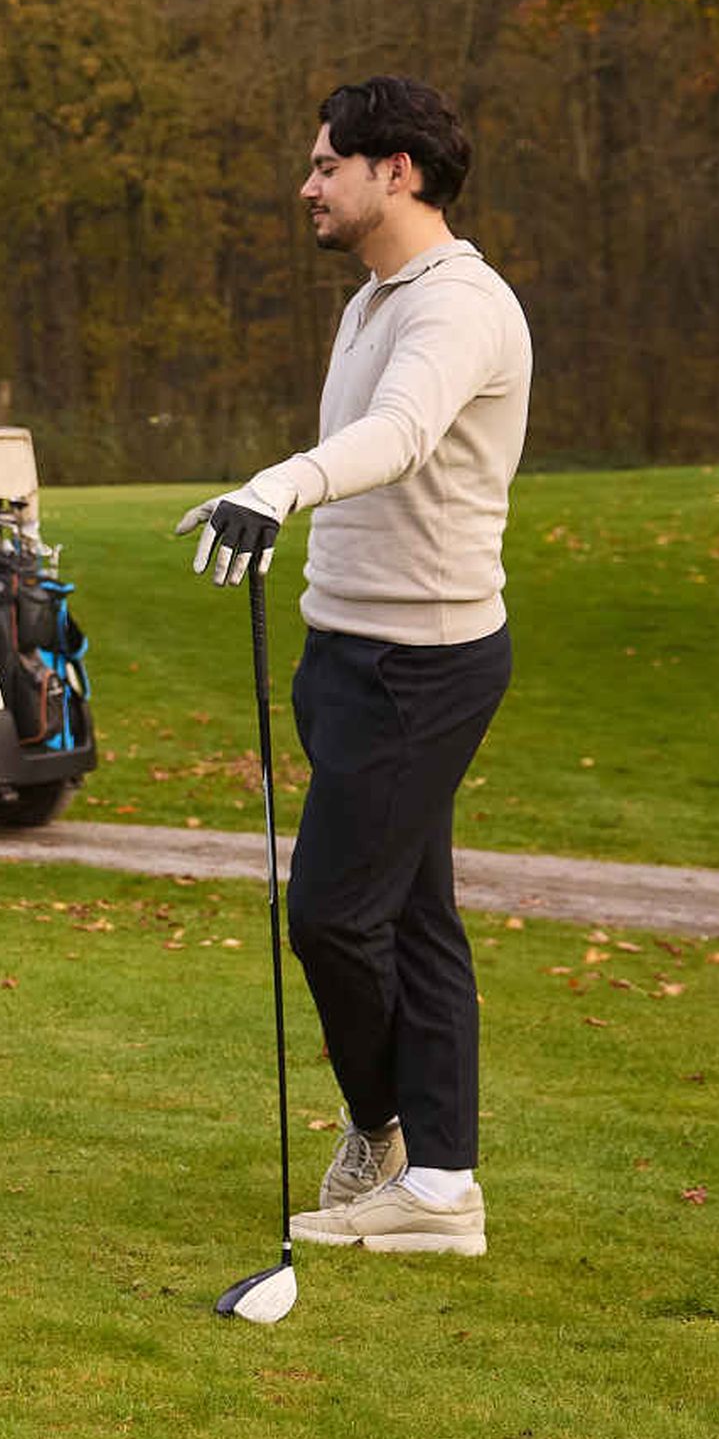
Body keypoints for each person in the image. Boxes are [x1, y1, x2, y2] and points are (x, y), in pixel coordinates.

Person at [176, 76, 529, 1260]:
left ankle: (387, 1137)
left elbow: (400, 435)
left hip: (423, 668)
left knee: (331, 916)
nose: (307, 185)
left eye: (328, 164)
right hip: (348, 651)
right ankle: (440, 1188)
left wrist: (277, 483)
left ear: (400, 173)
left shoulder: (459, 307)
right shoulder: (374, 299)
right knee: (416, 920)